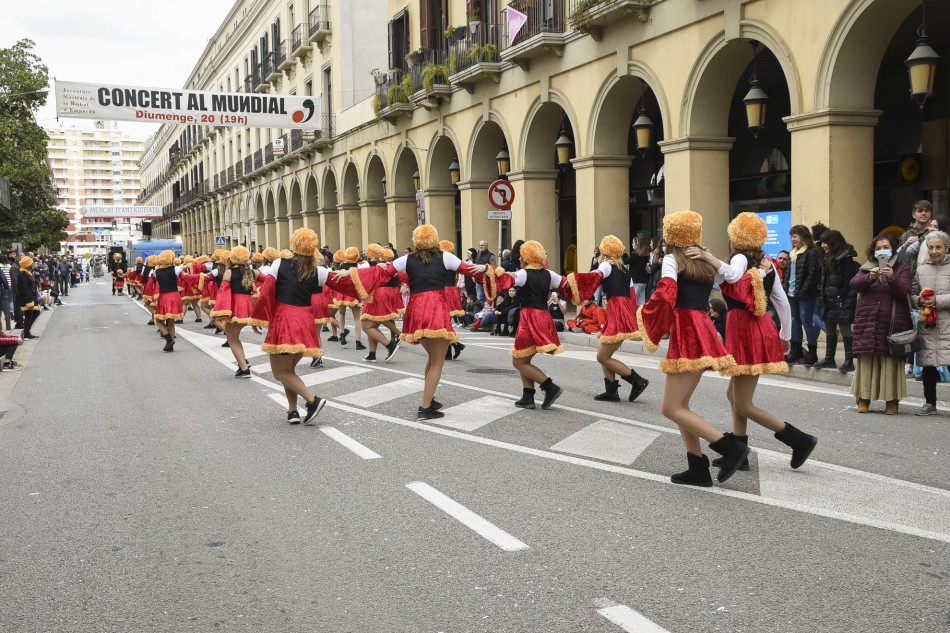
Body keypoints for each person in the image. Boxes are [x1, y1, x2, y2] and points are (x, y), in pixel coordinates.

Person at [695, 212, 817, 473]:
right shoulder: (767, 264)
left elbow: (729, 274)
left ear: (736, 237)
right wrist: (785, 336)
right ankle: (741, 451)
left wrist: (708, 257)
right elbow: (782, 302)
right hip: (757, 329)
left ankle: (800, 440)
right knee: (734, 395)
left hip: (745, 330)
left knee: (743, 403)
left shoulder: (739, 258)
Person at [636, 210, 750, 487]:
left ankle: (730, 447)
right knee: (681, 405)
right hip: (703, 327)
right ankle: (697, 468)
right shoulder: (704, 261)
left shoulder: (671, 260)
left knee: (671, 407)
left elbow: (666, 294)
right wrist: (711, 257)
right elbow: (732, 279)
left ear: (670, 235)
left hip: (687, 330)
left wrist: (647, 314)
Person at [251, 229, 374, 424]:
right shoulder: (320, 271)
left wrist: (258, 318)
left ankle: (312, 401)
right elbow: (345, 283)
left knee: (280, 372)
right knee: (289, 370)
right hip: (305, 321)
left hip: (285, 320)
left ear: (294, 243)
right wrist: (352, 272)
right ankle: (292, 411)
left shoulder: (279, 263)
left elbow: (267, 292)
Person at [382, 224, 486, 419]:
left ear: (416, 241)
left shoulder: (406, 259)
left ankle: (429, 398)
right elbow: (469, 270)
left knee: (432, 358)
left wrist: (352, 273)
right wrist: (488, 269)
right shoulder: (445, 257)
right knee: (438, 361)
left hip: (416, 310)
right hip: (435, 308)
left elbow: (383, 273)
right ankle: (425, 407)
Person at [566, 235, 650, 402]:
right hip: (621, 312)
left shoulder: (606, 264)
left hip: (617, 312)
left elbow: (595, 276)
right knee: (604, 354)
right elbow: (632, 296)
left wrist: (575, 282)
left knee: (602, 357)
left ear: (605, 251)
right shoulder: (625, 269)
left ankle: (637, 381)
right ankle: (611, 390)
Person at [489, 241, 565, 410]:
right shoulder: (549, 274)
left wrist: (493, 272)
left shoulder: (523, 273)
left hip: (530, 317)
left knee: (519, 361)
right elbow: (567, 284)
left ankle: (549, 386)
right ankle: (528, 396)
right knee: (524, 357)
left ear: (525, 258)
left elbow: (509, 279)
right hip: (544, 316)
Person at [850, 233, 911, 415]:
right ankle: (863, 399)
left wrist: (892, 277)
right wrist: (870, 277)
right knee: (867, 361)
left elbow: (904, 292)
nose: (882, 251)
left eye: (886, 247)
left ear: (893, 249)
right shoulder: (867, 267)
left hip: (892, 324)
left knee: (890, 363)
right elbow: (854, 284)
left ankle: (892, 402)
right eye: (878, 248)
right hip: (868, 322)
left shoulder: (902, 269)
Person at [910, 230, 950, 416]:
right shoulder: (920, 270)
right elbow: (911, 294)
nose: (934, 251)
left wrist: (937, 301)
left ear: (947, 248)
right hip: (928, 324)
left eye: (938, 247)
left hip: (947, 323)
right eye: (931, 247)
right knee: (928, 365)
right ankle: (930, 403)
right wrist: (919, 301)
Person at [210, 246, 259, 377]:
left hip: (236, 308)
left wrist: (215, 313)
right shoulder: (253, 272)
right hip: (248, 307)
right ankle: (243, 364)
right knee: (235, 338)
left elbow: (222, 294)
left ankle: (244, 368)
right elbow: (269, 280)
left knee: (232, 339)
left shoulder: (229, 273)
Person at [814, 230, 859, 371]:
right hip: (828, 299)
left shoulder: (846, 258)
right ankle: (829, 359)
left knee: (845, 330)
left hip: (841, 300)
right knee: (830, 330)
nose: (822, 245)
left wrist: (841, 296)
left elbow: (849, 280)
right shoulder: (827, 257)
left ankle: (849, 361)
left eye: (825, 242)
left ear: (833, 243)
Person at [358, 243, 401, 363]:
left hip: (376, 294)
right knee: (373, 326)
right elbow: (400, 276)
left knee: (366, 326)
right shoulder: (387, 263)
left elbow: (359, 277)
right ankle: (372, 353)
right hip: (388, 293)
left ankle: (390, 346)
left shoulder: (367, 265)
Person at [785, 225, 821, 365]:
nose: (793, 239)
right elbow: (788, 274)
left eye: (795, 236)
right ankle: (797, 351)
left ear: (803, 237)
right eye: (792, 237)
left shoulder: (811, 252)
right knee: (795, 322)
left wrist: (803, 290)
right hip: (791, 293)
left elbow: (812, 275)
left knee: (806, 322)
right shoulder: (793, 253)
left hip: (805, 295)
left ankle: (812, 353)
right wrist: (786, 289)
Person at [150, 250, 185, 352]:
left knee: (159, 321)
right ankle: (171, 345)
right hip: (174, 295)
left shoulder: (156, 272)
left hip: (164, 296)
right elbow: (185, 277)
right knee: (171, 322)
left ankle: (169, 339)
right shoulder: (176, 269)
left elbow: (154, 281)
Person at [440, 240, 465, 360]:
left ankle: (454, 346)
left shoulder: (442, 261)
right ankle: (452, 347)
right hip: (452, 290)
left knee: (444, 323)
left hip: (444, 292)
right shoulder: (454, 260)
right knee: (445, 323)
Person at [898, 200, 934, 275]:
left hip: (928, 275)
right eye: (920, 211)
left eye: (926, 211)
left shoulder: (935, 232)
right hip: (908, 277)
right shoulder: (905, 236)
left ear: (930, 214)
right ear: (913, 215)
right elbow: (899, 258)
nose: (923, 213)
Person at [15, 256, 40, 340]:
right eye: (31, 263)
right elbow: (26, 290)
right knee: (29, 315)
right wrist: (29, 302)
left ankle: (26, 331)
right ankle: (26, 333)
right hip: (28, 299)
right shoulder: (23, 275)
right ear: (27, 265)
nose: (32, 264)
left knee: (36, 312)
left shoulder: (27, 272)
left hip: (31, 297)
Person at [626, 236, 651, 308]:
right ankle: (641, 317)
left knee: (633, 300)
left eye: (633, 243)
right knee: (641, 302)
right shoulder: (646, 255)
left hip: (636, 280)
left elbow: (626, 261)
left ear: (637, 244)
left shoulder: (636, 255)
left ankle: (633, 318)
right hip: (643, 281)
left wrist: (624, 253)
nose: (632, 244)